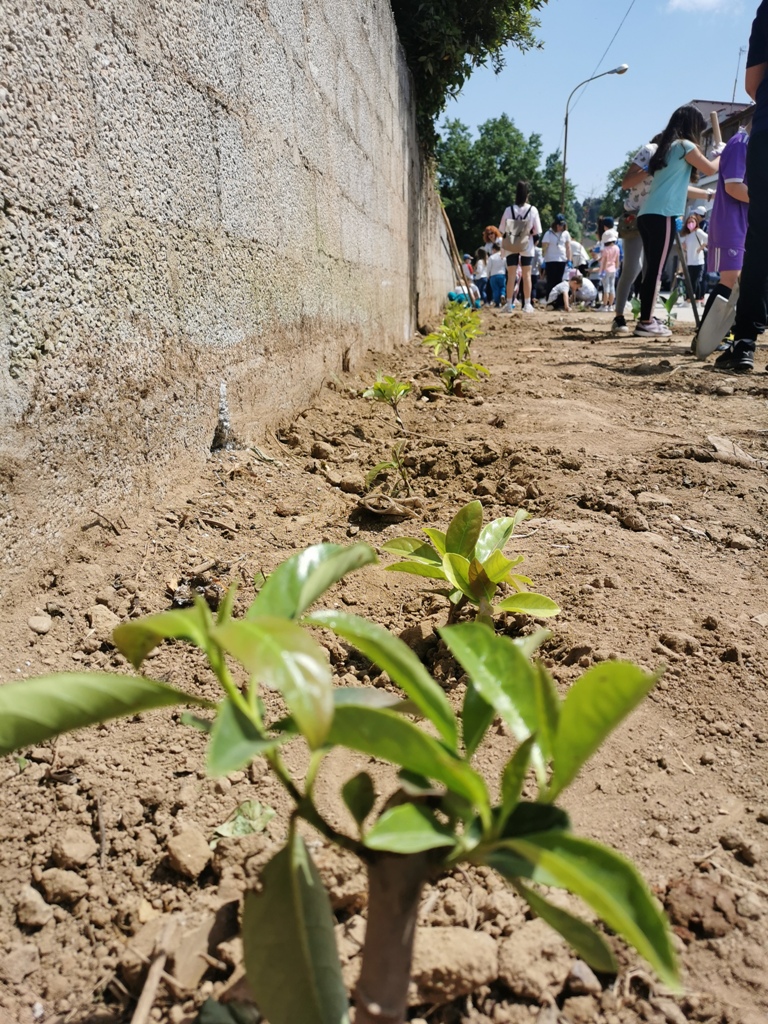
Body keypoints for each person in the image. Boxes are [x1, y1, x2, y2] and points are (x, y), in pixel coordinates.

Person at [635, 104, 722, 338]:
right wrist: (721, 153)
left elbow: (683, 187)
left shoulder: (668, 149)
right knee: (656, 270)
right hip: (662, 215)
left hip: (647, 215)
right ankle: (646, 322)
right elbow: (712, 169)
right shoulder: (686, 146)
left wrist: (707, 194)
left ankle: (646, 319)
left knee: (652, 269)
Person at [697, 127, 749, 347]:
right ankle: (705, 336)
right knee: (729, 280)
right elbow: (734, 187)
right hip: (731, 222)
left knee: (742, 282)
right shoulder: (740, 143)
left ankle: (730, 333)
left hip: (747, 223)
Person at [611, 136, 660, 335]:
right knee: (632, 267)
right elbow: (627, 182)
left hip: (656, 215)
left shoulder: (674, 159)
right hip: (635, 215)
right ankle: (619, 316)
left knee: (652, 270)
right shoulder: (650, 151)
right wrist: (652, 168)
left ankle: (647, 317)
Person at [498, 180, 542, 313]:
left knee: (511, 275)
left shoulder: (508, 209)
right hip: (526, 244)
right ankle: (527, 304)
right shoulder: (532, 210)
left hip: (511, 243)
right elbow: (537, 231)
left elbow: (501, 229)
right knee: (526, 274)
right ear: (527, 194)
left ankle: (509, 304)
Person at [679, 212, 708, 300]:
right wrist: (684, 248)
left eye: (692, 221)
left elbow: (708, 238)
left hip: (698, 261)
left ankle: (695, 299)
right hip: (690, 262)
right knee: (689, 282)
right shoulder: (687, 235)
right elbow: (686, 248)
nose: (690, 224)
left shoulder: (698, 232)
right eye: (689, 222)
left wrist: (701, 247)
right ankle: (690, 299)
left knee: (696, 281)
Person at [540, 215, 573, 290]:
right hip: (550, 260)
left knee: (559, 281)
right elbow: (544, 247)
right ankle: (550, 298)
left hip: (561, 260)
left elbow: (568, 248)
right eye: (558, 225)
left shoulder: (566, 234)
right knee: (551, 281)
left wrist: (569, 260)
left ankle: (558, 300)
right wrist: (544, 259)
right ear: (555, 224)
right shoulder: (548, 233)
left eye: (562, 225)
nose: (560, 227)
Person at [599, 228, 621, 310]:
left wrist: (603, 271)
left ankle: (604, 305)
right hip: (613, 270)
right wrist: (617, 268)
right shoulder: (617, 248)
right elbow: (617, 260)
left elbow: (604, 261)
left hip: (606, 270)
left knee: (606, 288)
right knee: (612, 288)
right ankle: (611, 306)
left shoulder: (605, 250)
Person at [486, 242, 507, 307]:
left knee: (495, 289)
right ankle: (502, 295)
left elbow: (488, 267)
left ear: (494, 249)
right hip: (502, 274)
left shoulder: (491, 257)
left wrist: (488, 275)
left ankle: (497, 303)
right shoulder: (503, 257)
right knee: (502, 287)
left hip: (493, 275)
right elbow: (506, 266)